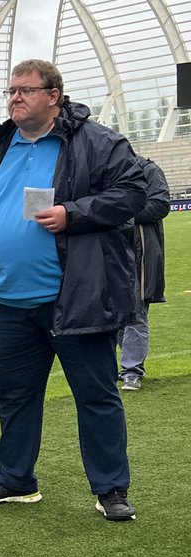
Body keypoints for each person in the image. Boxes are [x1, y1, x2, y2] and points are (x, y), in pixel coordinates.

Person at [0, 59, 147, 521]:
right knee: (16, 396)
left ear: (54, 95)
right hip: (5, 301)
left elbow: (135, 191)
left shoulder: (96, 141)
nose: (15, 98)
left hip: (72, 299)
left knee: (97, 396)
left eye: (26, 90)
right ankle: (17, 479)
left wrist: (73, 213)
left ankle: (111, 489)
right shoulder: (0, 143)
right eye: (11, 91)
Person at [117, 158, 169, 391]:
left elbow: (160, 204)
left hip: (140, 252)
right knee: (110, 313)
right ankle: (120, 367)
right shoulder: (102, 170)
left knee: (135, 312)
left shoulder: (147, 169)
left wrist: (119, 215)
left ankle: (132, 370)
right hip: (108, 252)